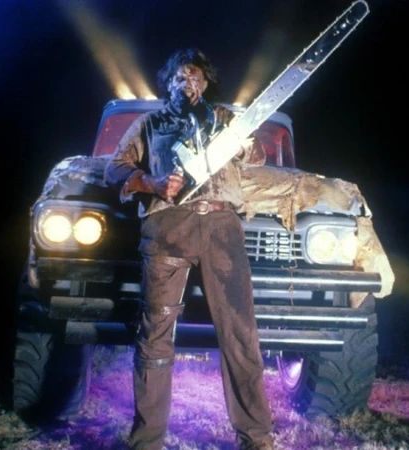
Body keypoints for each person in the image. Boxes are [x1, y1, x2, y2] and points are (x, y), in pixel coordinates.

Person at [104, 48, 274, 450]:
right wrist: (153, 182)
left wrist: (238, 140)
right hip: (168, 228)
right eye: (181, 78)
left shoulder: (225, 120)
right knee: (155, 333)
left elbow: (258, 155)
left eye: (196, 78)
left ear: (206, 82)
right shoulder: (151, 123)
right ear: (169, 83)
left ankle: (256, 437)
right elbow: (115, 169)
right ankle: (147, 440)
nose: (189, 84)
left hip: (221, 228)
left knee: (239, 333)